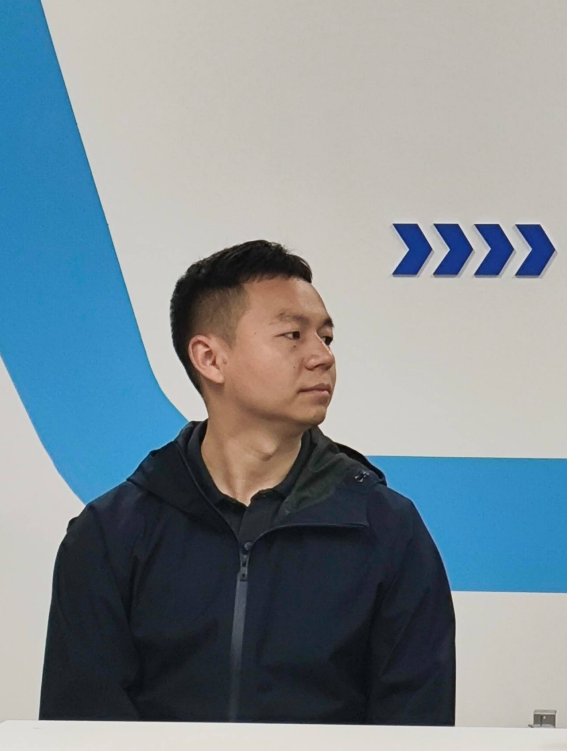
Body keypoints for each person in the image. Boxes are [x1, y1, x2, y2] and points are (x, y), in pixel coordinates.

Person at [41, 239, 455, 722]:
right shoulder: (110, 534)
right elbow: (82, 726)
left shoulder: (387, 528)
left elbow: (416, 728)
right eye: (293, 335)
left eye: (326, 337)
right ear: (210, 358)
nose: (322, 357)